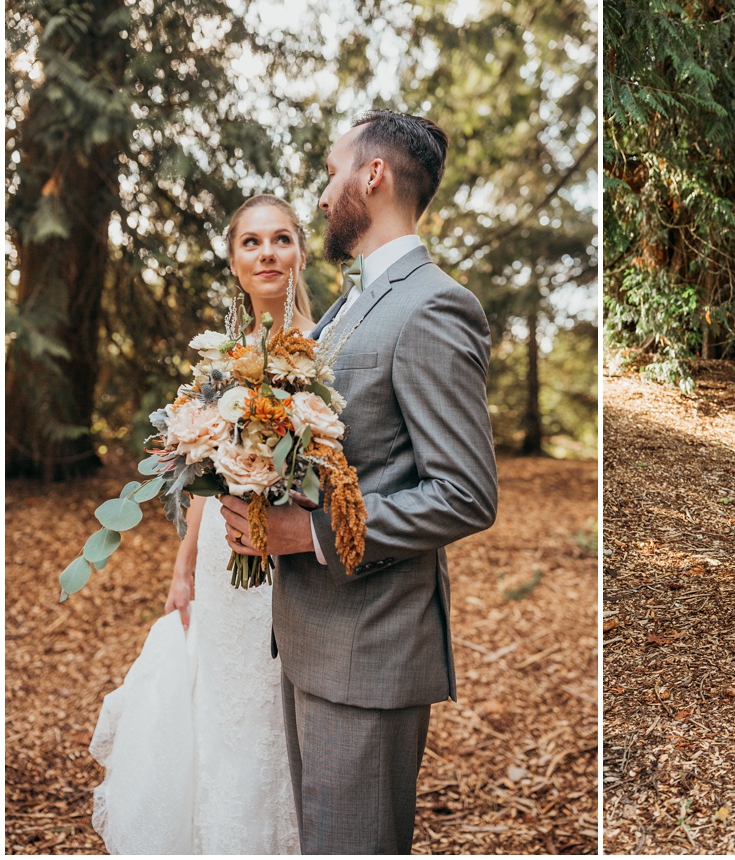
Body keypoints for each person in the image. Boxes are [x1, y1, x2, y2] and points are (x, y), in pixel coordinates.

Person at [219, 110, 499, 853]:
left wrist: (307, 531)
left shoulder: (434, 303)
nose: (320, 195)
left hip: (369, 654)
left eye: (332, 170)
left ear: (372, 176)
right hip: (311, 634)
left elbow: (465, 492)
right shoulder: (350, 303)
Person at [90, 195, 315, 853]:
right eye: (252, 242)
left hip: (292, 548)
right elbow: (197, 476)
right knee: (224, 705)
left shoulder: (326, 348)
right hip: (223, 553)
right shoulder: (219, 362)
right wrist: (183, 566)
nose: (267, 252)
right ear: (234, 261)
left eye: (280, 239)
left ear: (299, 251)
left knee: (281, 707)